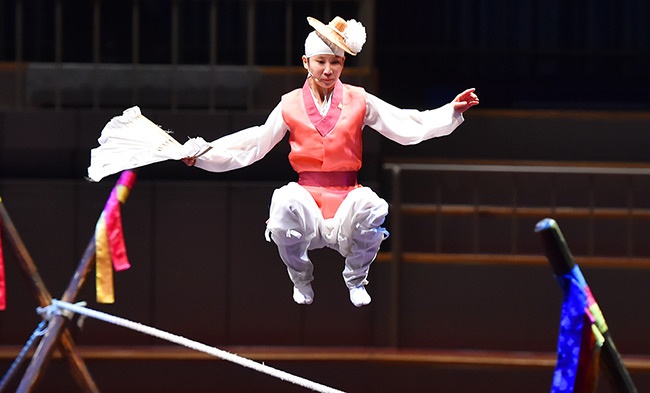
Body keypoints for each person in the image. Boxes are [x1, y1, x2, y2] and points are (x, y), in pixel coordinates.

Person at [182, 16, 479, 307]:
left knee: (373, 207)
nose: (327, 70)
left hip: (346, 193)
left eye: (335, 62)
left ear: (343, 65)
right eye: (320, 62)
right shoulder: (289, 104)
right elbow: (255, 142)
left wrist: (449, 111)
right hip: (307, 195)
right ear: (306, 63)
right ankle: (300, 276)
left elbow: (404, 122)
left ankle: (357, 278)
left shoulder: (359, 100)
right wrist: (206, 154)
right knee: (283, 204)